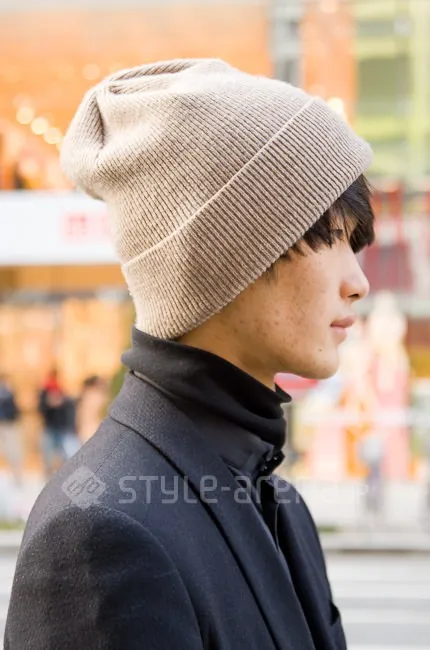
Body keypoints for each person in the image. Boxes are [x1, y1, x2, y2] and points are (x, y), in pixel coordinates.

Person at [6, 60, 374, 650]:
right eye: (330, 238)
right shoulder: (101, 532)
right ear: (226, 255)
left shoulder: (278, 501)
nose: (358, 282)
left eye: (355, 243)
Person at [38, 369, 79, 478]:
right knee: (48, 454)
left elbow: (70, 407)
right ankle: (48, 475)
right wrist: (49, 404)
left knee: (63, 454)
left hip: (61, 427)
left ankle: (61, 475)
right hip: (50, 427)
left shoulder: (62, 391)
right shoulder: (45, 392)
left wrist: (62, 401)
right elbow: (41, 409)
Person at [0, 374, 22, 486]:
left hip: (9, 426)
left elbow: (15, 412)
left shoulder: (10, 395)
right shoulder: (7, 395)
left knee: (14, 453)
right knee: (13, 452)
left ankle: (17, 478)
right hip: (6, 426)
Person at [75, 375, 109, 444]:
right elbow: (102, 415)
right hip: (95, 431)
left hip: (84, 432)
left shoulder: (84, 396)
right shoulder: (99, 397)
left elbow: (79, 415)